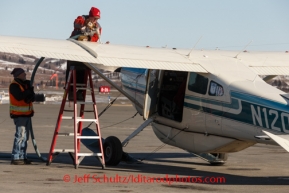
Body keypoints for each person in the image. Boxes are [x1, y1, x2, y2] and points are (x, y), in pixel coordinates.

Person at [9, 68, 35, 165]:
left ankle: (23, 156)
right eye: (23, 73)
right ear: (18, 75)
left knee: (25, 137)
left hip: (26, 114)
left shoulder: (24, 85)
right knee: (20, 136)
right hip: (19, 115)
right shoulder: (14, 85)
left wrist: (31, 93)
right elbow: (19, 96)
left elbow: (28, 99)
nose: (25, 74)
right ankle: (16, 157)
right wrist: (28, 91)